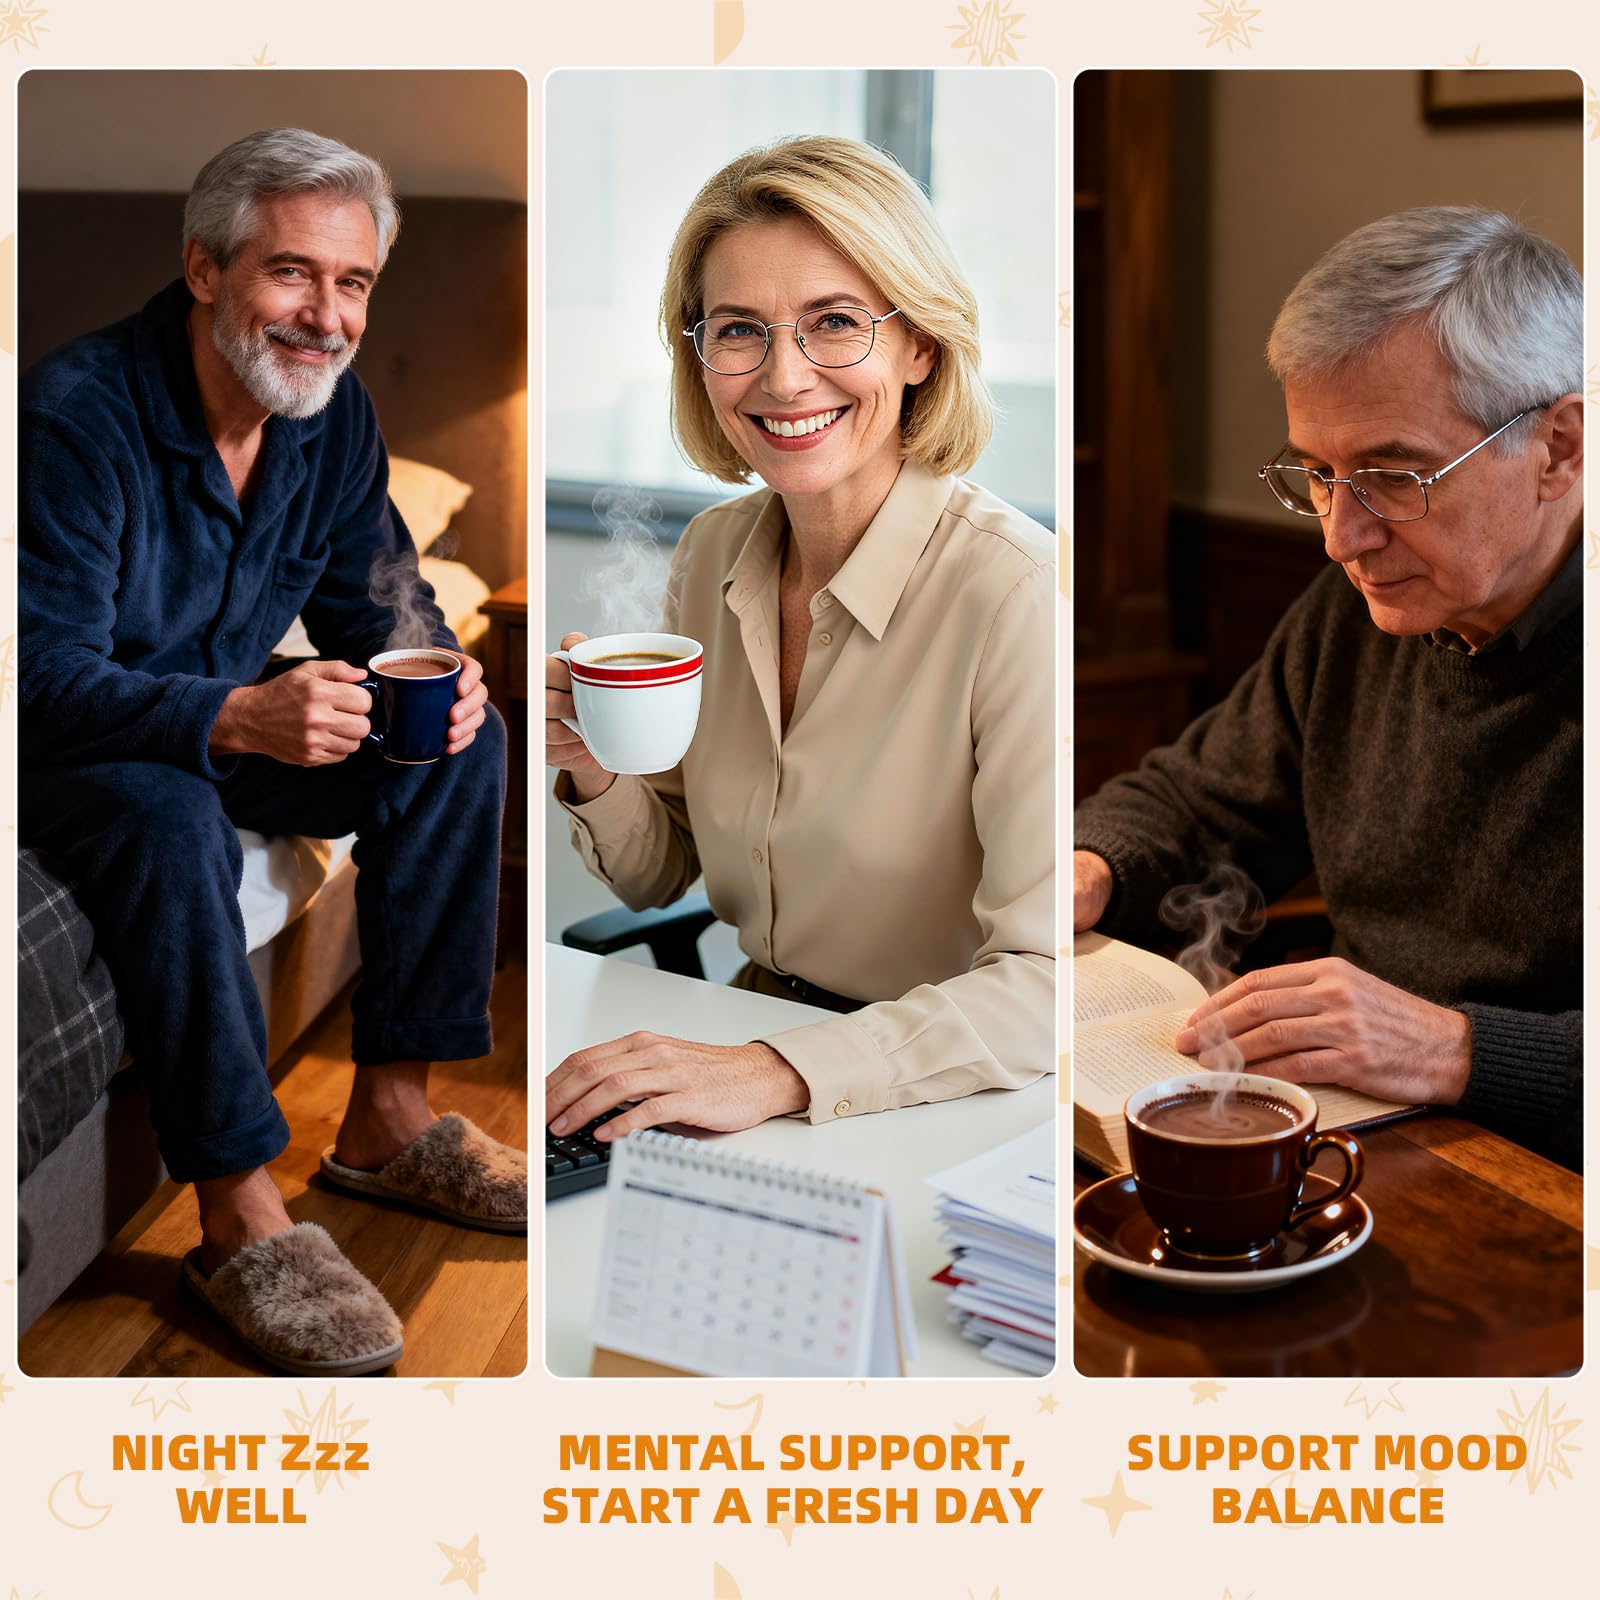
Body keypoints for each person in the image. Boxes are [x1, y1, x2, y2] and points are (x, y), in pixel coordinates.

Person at [18, 128, 523, 1376]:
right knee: (166, 812)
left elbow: (383, 595)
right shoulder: (71, 418)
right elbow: (37, 677)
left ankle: (389, 1118)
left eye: (354, 283)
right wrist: (239, 715)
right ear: (205, 268)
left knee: (461, 744)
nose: (327, 316)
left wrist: (437, 670)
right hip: (79, 738)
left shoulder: (330, 416)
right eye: (293, 272)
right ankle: (238, 1208)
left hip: (230, 715)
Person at [545, 135, 1054, 1142]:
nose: (783, 378)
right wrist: (593, 769)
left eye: (835, 323)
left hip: (940, 1092)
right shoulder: (711, 552)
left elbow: (1043, 986)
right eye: (739, 330)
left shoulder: (1014, 591)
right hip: (745, 1042)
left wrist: (777, 1069)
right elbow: (658, 871)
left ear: (920, 345)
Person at [1074, 206, 1582, 1166]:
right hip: (1369, 1133)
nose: (1342, 539)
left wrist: (1458, 1050)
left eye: (1393, 476)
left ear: (1556, 448)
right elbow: (1199, 802)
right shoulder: (1362, 610)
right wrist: (1092, 866)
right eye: (1316, 473)